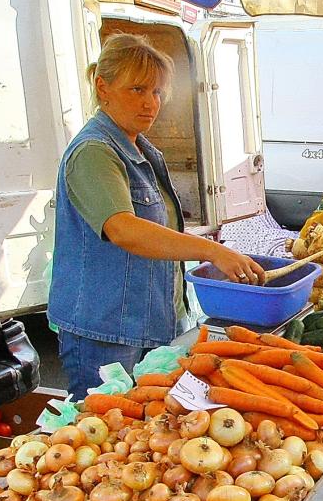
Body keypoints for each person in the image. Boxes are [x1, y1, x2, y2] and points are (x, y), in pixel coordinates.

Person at [49, 34, 264, 398]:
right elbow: (124, 229)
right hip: (108, 332)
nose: (151, 103)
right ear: (103, 87)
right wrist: (209, 252)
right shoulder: (94, 152)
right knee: (109, 437)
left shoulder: (141, 148)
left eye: (157, 92)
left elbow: (157, 228)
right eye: (137, 90)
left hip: (151, 323)